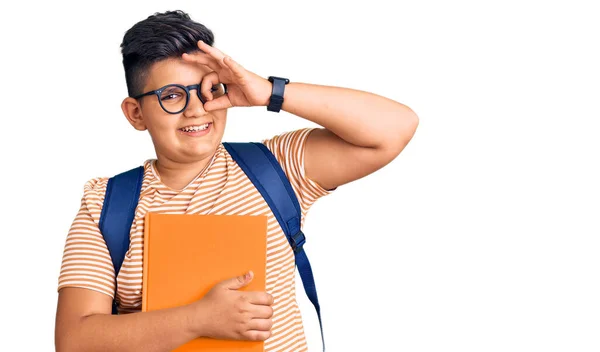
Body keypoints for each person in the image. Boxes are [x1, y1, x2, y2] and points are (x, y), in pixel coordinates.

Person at [54, 9, 419, 352]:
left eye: (207, 90)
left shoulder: (276, 167)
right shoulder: (105, 205)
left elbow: (394, 129)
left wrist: (269, 92)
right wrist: (198, 319)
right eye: (171, 96)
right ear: (136, 113)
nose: (196, 109)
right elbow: (74, 338)